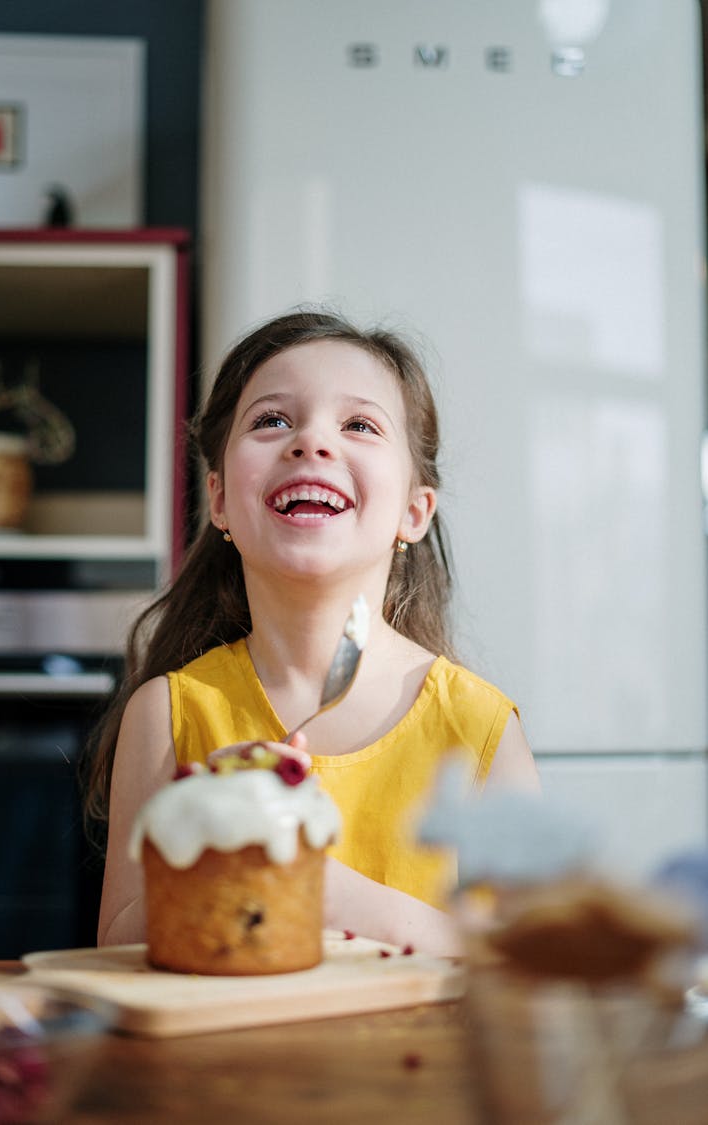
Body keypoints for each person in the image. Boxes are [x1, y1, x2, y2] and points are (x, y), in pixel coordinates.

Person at [86, 309, 539, 956]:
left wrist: (318, 884)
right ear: (218, 500)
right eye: (272, 420)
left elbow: (529, 963)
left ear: (414, 510)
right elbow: (117, 954)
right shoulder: (167, 713)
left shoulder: (480, 728)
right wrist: (216, 837)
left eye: (359, 424)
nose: (311, 442)